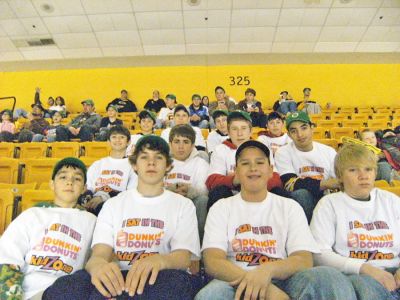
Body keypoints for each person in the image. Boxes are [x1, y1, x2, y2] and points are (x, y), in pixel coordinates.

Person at [195, 140, 355, 300]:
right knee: (210, 295)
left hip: (283, 279)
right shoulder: (221, 207)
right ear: (236, 171)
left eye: (259, 162)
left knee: (329, 277)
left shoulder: (289, 207)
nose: (253, 168)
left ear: (271, 170)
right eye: (245, 163)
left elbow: (303, 259)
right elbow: (213, 261)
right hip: (235, 280)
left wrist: (267, 271)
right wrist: (262, 287)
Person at [51, 135, 201, 299]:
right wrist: (99, 266)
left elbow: (183, 258)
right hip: (119, 277)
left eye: (158, 157)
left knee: (177, 284)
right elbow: (100, 254)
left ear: (168, 166)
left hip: (160, 277)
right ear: (134, 165)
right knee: (64, 287)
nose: (151, 163)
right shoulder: (113, 205)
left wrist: (159, 261)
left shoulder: (183, 205)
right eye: (144, 157)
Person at [310, 143, 400, 300]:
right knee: (364, 288)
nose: (363, 176)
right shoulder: (329, 204)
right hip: (357, 274)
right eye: (353, 170)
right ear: (340, 176)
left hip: (395, 268)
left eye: (368, 169)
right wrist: (365, 268)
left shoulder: (391, 200)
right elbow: (319, 254)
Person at [0, 157, 97, 300]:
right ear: (52, 184)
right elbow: (7, 258)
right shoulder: (33, 214)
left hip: (68, 290)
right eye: (63, 177)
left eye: (77, 179)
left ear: (84, 188)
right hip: (28, 293)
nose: (69, 182)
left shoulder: (92, 221)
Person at [206, 111, 281, 210]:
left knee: (278, 192)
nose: (239, 133)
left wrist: (252, 183)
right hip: (232, 196)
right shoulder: (220, 150)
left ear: (250, 131)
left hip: (260, 195)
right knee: (218, 192)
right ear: (228, 131)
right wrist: (234, 180)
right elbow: (212, 180)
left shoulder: (263, 148)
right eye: (234, 129)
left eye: (244, 128)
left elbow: (275, 178)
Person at [274, 111, 339, 222]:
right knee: (302, 194)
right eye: (294, 131)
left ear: (312, 128)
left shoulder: (328, 151)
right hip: (302, 201)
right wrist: (325, 184)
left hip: (326, 197)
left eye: (304, 128)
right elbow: (290, 184)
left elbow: (338, 182)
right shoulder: (283, 152)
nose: (300, 135)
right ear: (289, 135)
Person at [166, 124, 209, 240]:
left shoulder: (200, 163)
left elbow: (203, 190)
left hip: (191, 203)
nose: (181, 146)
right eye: (177, 141)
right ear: (170, 144)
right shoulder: (163, 162)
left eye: (185, 142)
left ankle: (199, 244)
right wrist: (171, 190)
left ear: (192, 145)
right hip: (166, 202)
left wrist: (188, 190)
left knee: (203, 200)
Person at [84, 125, 137, 216]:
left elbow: (130, 194)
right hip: (92, 204)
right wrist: (88, 199)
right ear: (108, 142)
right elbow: (88, 188)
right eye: (114, 137)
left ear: (128, 142)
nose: (117, 140)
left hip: (117, 207)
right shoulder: (97, 164)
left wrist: (104, 196)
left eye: (122, 137)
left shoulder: (133, 166)